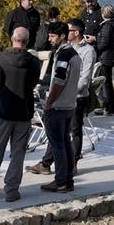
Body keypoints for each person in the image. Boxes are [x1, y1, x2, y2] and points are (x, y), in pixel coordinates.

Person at [0, 27, 41, 201]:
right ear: (27, 41)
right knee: (18, 153)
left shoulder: (0, 59)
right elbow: (34, 82)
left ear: (12, 39)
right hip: (24, 112)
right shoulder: (33, 62)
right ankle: (12, 190)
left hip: (3, 111)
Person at [28, 18, 96, 175]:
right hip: (63, 98)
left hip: (74, 98)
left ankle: (71, 165)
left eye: (70, 30)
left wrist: (56, 97)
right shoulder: (65, 50)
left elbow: (83, 79)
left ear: (75, 32)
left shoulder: (86, 52)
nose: (49, 39)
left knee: (73, 131)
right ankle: (48, 164)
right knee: (59, 135)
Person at [40, 21, 82, 193]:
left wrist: (49, 101)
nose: (50, 39)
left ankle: (60, 181)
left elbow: (59, 80)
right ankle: (68, 180)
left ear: (62, 36)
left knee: (57, 144)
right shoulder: (74, 54)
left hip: (59, 106)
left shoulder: (64, 55)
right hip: (70, 104)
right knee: (65, 143)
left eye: (52, 36)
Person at [95, 5, 114, 115]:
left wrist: (95, 47)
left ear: (103, 14)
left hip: (104, 57)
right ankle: (109, 106)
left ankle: (108, 106)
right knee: (108, 83)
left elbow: (104, 43)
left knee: (105, 84)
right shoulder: (113, 25)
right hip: (109, 57)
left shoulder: (107, 26)